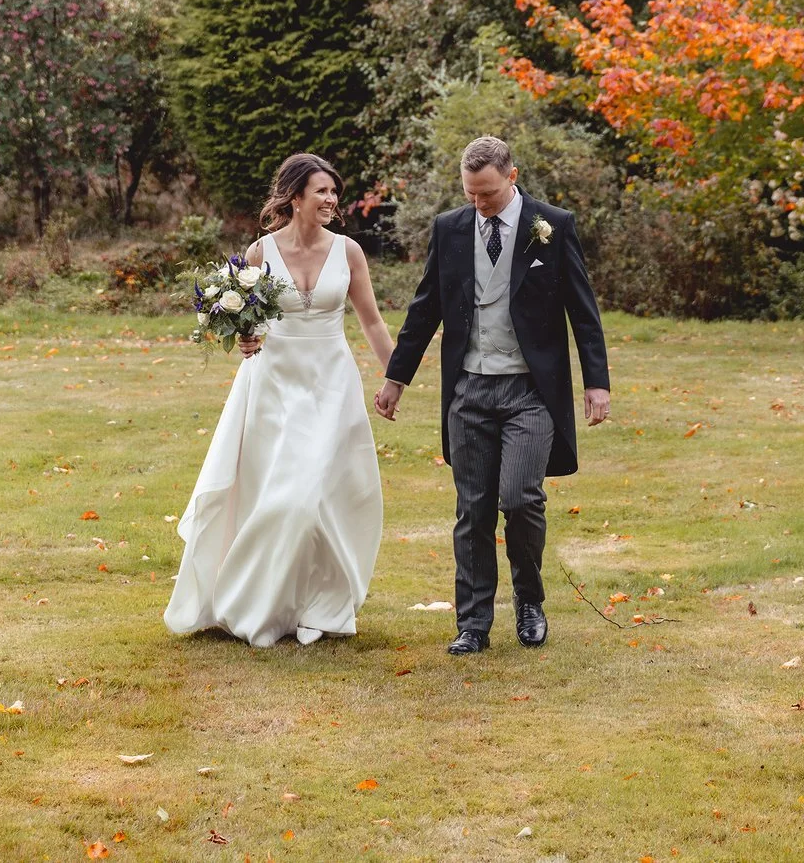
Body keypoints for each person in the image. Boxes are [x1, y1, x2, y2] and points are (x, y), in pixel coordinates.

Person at [377, 136, 611, 654]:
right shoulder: (451, 229)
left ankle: (529, 602)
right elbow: (425, 310)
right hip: (469, 389)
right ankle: (473, 624)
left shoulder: (553, 225)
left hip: (530, 390)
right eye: (471, 194)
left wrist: (596, 383)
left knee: (521, 498)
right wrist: (397, 378)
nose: (479, 204)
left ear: (512, 175)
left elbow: (583, 310)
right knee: (473, 508)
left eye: (487, 194)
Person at [164, 152, 397, 647]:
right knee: (285, 497)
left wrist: (394, 378)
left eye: (335, 191)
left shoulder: (349, 252)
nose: (332, 199)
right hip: (275, 387)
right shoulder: (258, 253)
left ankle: (321, 604)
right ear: (295, 197)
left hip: (331, 384)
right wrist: (245, 338)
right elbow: (247, 324)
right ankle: (260, 604)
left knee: (323, 498)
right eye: (322, 191)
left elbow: (372, 321)